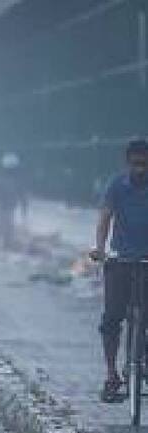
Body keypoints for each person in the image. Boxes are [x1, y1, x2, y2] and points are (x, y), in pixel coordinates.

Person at [90, 138, 148, 402]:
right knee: (112, 319)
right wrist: (100, 249)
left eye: (145, 164)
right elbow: (105, 218)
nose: (141, 169)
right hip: (121, 260)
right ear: (128, 163)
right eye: (136, 164)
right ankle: (112, 374)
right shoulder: (116, 186)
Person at [0, 152, 27, 252]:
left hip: (8, 204)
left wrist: (23, 204)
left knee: (7, 224)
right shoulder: (1, 176)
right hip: (3, 203)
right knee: (0, 224)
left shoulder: (15, 178)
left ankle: (5, 243)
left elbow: (21, 192)